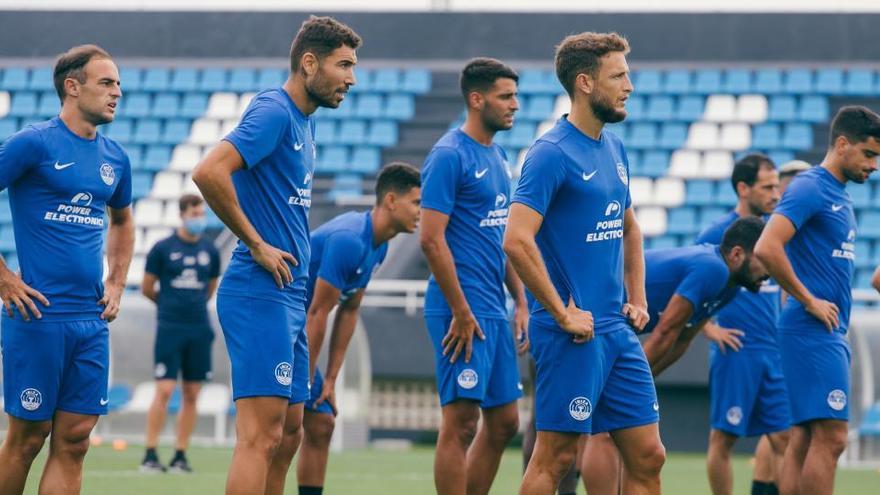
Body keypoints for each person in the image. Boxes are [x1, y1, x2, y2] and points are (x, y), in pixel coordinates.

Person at [191, 16, 361, 495]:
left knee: (289, 434)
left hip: (288, 294)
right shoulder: (274, 110)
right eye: (343, 65)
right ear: (309, 63)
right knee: (260, 437)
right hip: (256, 290)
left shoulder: (304, 124)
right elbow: (208, 172)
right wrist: (257, 243)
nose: (352, 78)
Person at [504, 32, 664, 495]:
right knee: (555, 459)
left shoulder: (614, 148)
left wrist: (637, 297)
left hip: (616, 329)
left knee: (649, 455)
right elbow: (515, 240)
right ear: (585, 83)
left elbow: (629, 227)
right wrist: (561, 312)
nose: (629, 85)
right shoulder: (550, 153)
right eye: (618, 76)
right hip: (573, 333)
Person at [0, 44, 134, 494]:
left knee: (75, 441)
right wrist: (3, 278)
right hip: (37, 316)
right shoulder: (33, 144)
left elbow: (124, 220)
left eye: (118, 83)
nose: (118, 91)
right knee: (27, 439)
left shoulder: (115, 159)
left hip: (90, 320)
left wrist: (116, 281)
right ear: (72, 88)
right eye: (107, 83)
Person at [581, 217, 771, 495]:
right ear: (738, 254)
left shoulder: (731, 287)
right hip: (597, 311)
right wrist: (628, 384)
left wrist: (642, 380)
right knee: (605, 434)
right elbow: (665, 331)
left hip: (612, 322)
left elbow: (682, 339)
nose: (770, 270)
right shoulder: (713, 270)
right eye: (764, 259)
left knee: (618, 430)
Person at [755, 105, 880, 495]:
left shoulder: (838, 195)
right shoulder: (811, 186)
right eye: (869, 154)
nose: (874, 165)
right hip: (811, 328)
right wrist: (808, 300)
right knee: (833, 436)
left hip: (820, 330)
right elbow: (767, 247)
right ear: (842, 144)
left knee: (805, 437)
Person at [420, 57, 529, 495]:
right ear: (476, 98)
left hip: (493, 306)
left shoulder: (498, 155)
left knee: (504, 421)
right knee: (462, 422)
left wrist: (519, 299)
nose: (515, 105)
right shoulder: (449, 155)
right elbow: (431, 240)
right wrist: (462, 311)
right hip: (458, 308)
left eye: (516, 96)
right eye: (506, 96)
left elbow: (499, 235)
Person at [294, 163, 421, 495]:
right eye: (416, 203)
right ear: (391, 201)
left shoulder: (380, 245)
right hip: (282, 324)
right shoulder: (350, 240)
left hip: (300, 331)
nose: (421, 212)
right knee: (283, 428)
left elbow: (349, 309)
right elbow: (318, 313)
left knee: (321, 422)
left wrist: (332, 378)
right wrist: (304, 383)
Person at [693, 155, 790, 495]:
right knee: (724, 437)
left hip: (773, 350)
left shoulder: (776, 231)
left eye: (777, 185)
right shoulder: (718, 232)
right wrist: (709, 328)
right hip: (737, 351)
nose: (776, 193)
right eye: (768, 187)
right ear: (743, 188)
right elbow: (689, 282)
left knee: (784, 437)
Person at [140, 193, 221, 474]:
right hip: (170, 327)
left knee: (192, 392)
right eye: (195, 213)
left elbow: (211, 287)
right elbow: (147, 287)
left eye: (202, 213)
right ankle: (150, 452)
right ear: (183, 214)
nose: (200, 218)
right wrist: (169, 306)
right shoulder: (162, 249)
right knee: (164, 389)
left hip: (199, 328)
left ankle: (180, 454)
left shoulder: (210, 250)